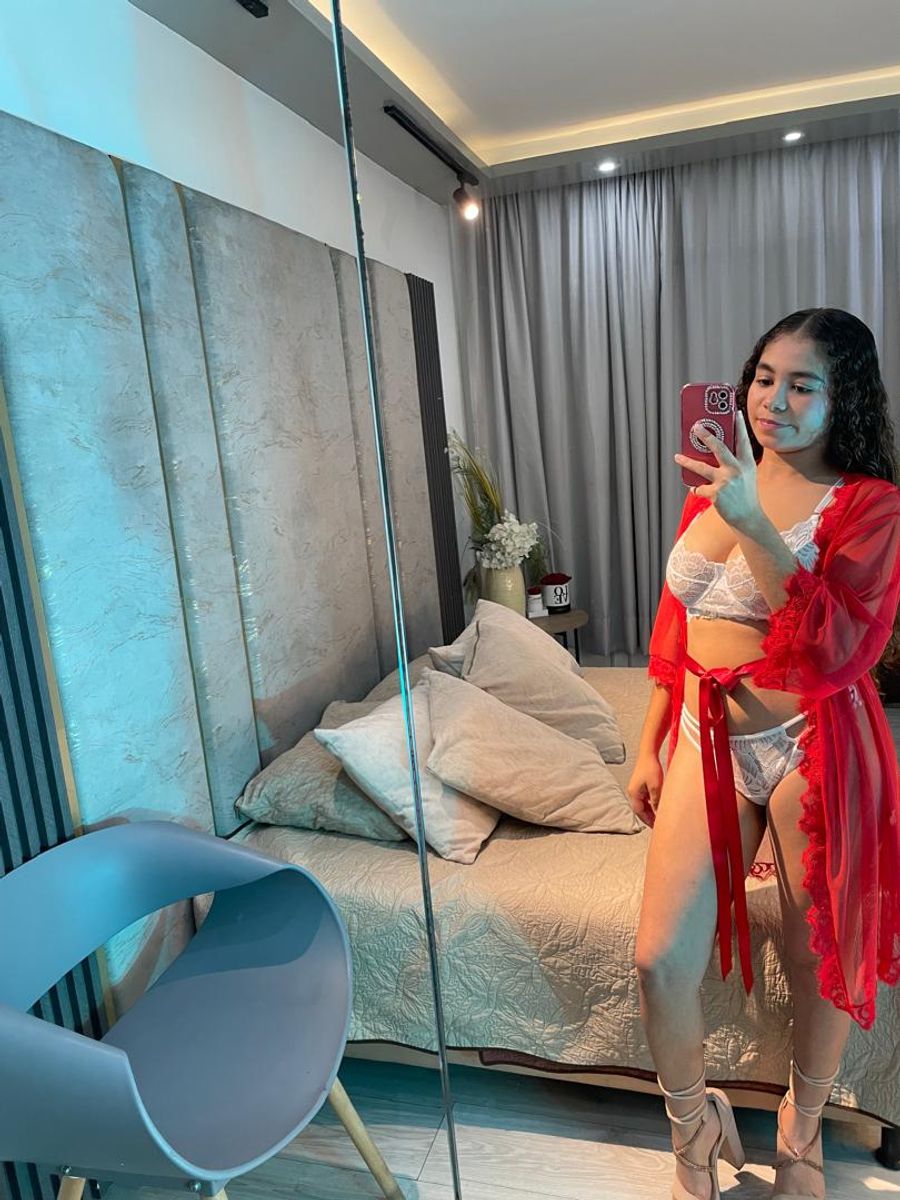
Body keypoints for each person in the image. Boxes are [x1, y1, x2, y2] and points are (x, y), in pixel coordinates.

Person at [628, 308, 900, 1200]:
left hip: (810, 741)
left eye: (802, 384)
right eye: (763, 378)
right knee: (659, 958)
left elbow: (839, 646)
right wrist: (649, 741)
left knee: (817, 955)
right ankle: (693, 1130)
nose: (773, 400)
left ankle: (802, 1132)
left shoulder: (870, 504)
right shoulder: (715, 483)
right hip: (704, 737)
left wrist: (751, 521)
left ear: (843, 398)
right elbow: (677, 623)